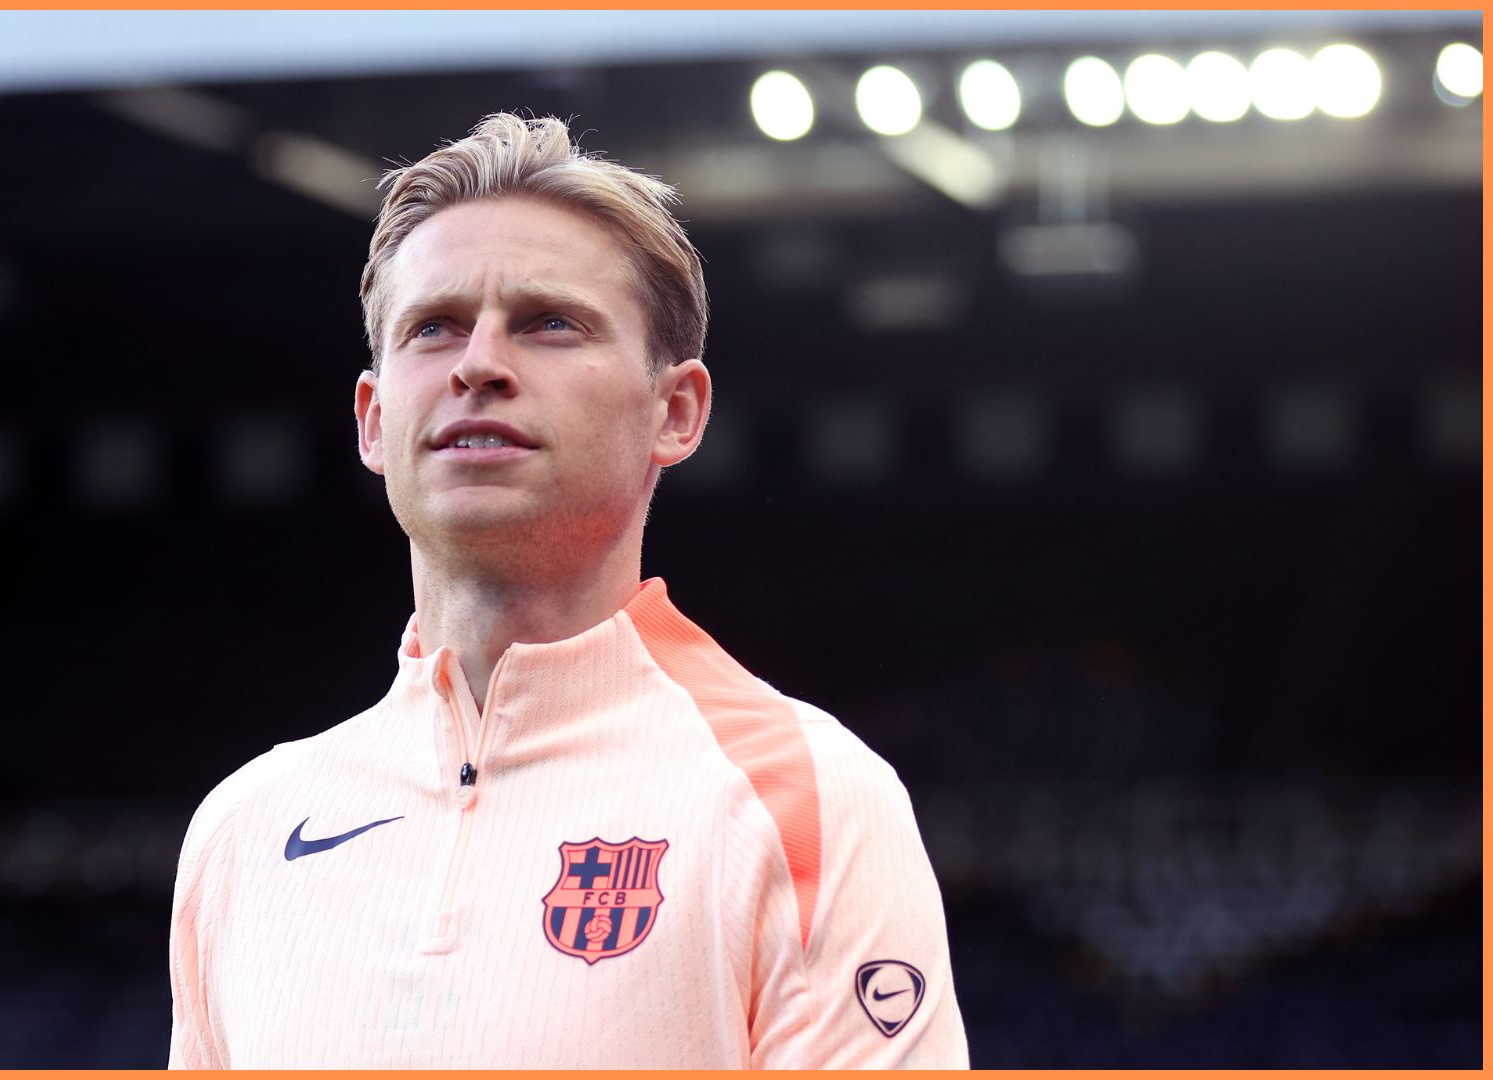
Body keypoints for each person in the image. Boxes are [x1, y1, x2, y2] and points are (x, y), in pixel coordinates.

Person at [168, 113, 967, 1069]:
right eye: (435, 328)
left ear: (675, 412)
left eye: (549, 323)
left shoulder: (808, 800)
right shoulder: (243, 832)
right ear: (375, 422)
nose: (479, 364)